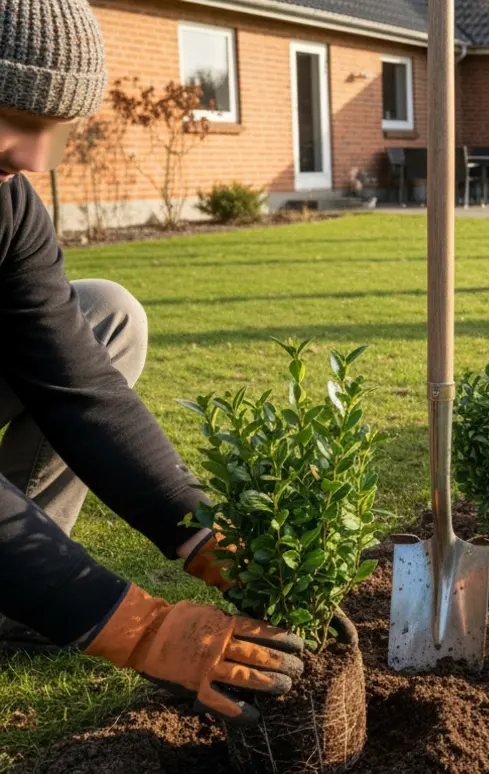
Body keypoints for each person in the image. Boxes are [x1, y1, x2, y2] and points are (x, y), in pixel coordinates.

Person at [0, 0, 301, 725]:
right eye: (13, 117)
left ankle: (17, 594)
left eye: (54, 128)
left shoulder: (9, 204)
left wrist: (203, 531)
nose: (33, 157)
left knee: (104, 314)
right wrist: (131, 623)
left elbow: (80, 391)